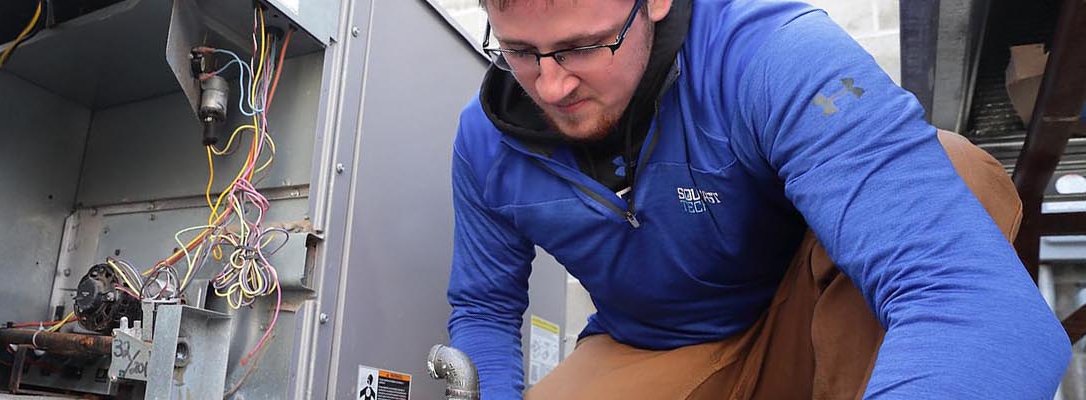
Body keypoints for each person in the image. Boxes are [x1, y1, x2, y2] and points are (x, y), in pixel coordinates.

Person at [444, 0, 1072, 398]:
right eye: (521, 52)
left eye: (584, 46)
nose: (551, 86)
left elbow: (974, 301)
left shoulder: (773, 54)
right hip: (650, 346)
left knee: (952, 167)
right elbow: (483, 306)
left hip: (802, 316)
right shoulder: (483, 142)